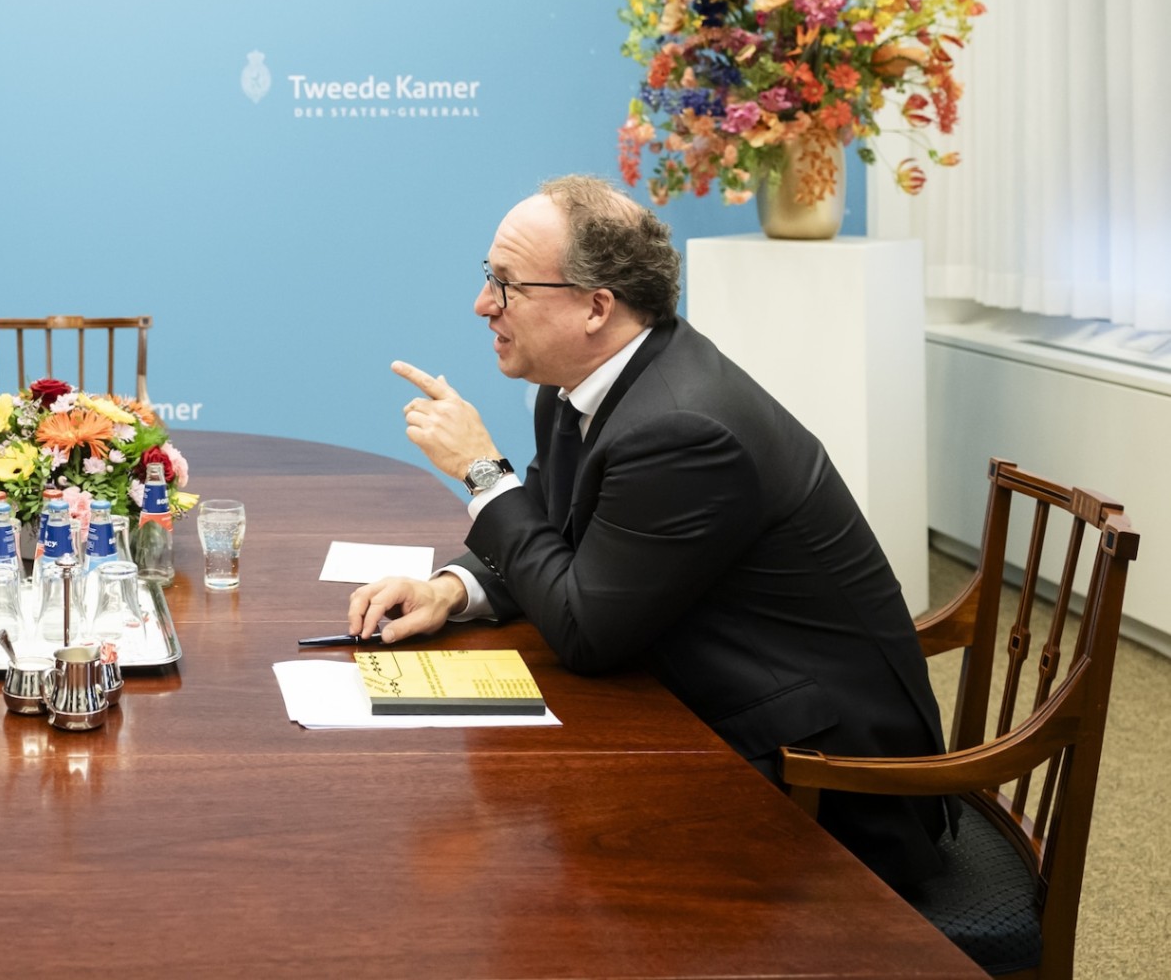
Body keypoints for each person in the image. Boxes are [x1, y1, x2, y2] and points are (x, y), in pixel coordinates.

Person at [349, 174, 949, 887]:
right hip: (709, 701)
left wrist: (482, 472)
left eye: (508, 285)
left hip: (825, 784)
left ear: (596, 307)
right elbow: (553, 522)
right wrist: (453, 590)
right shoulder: (576, 384)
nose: (484, 304)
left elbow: (585, 634)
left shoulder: (681, 429)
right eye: (489, 277)